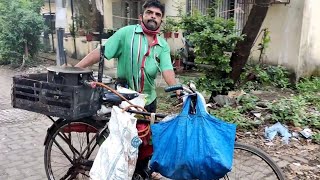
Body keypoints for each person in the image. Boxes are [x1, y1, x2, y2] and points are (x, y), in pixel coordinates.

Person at [75, 0, 178, 113]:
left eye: (157, 14)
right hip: (124, 98)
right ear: (141, 16)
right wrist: (76, 69)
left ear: (161, 20)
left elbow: (167, 70)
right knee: (122, 129)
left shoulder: (163, 45)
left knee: (147, 130)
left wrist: (178, 90)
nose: (153, 16)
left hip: (148, 101)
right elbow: (101, 52)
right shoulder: (126, 33)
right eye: (149, 12)